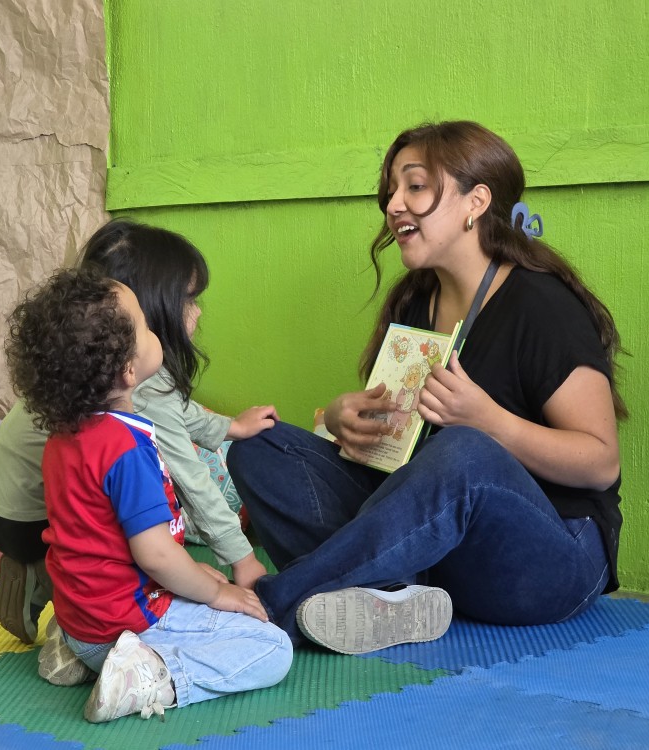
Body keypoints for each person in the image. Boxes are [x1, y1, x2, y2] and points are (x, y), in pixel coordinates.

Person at [228, 120, 626, 655]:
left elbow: (601, 462)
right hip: (440, 557)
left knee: (465, 451)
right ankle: (394, 600)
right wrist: (339, 421)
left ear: (475, 202)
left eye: (414, 186)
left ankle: (268, 607)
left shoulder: (541, 306)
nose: (394, 204)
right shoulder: (418, 302)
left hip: (553, 562)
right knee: (259, 446)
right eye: (392, 189)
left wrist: (489, 423)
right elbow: (400, 462)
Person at [4, 267, 292, 722]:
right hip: (127, 623)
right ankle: (149, 676)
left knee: (201, 579)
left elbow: (102, 542)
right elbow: (155, 556)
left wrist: (196, 575)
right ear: (129, 370)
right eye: (145, 325)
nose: (155, 329)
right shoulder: (125, 448)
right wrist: (218, 597)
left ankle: (75, 649)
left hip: (83, 616)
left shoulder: (66, 436)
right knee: (273, 648)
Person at [0, 219, 276, 649]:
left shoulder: (98, 364)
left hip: (10, 509)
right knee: (147, 545)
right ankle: (62, 604)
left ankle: (54, 591)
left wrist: (229, 427)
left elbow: (178, 411)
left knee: (139, 529)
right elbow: (194, 482)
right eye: (188, 300)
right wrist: (242, 561)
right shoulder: (130, 385)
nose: (198, 312)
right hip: (33, 521)